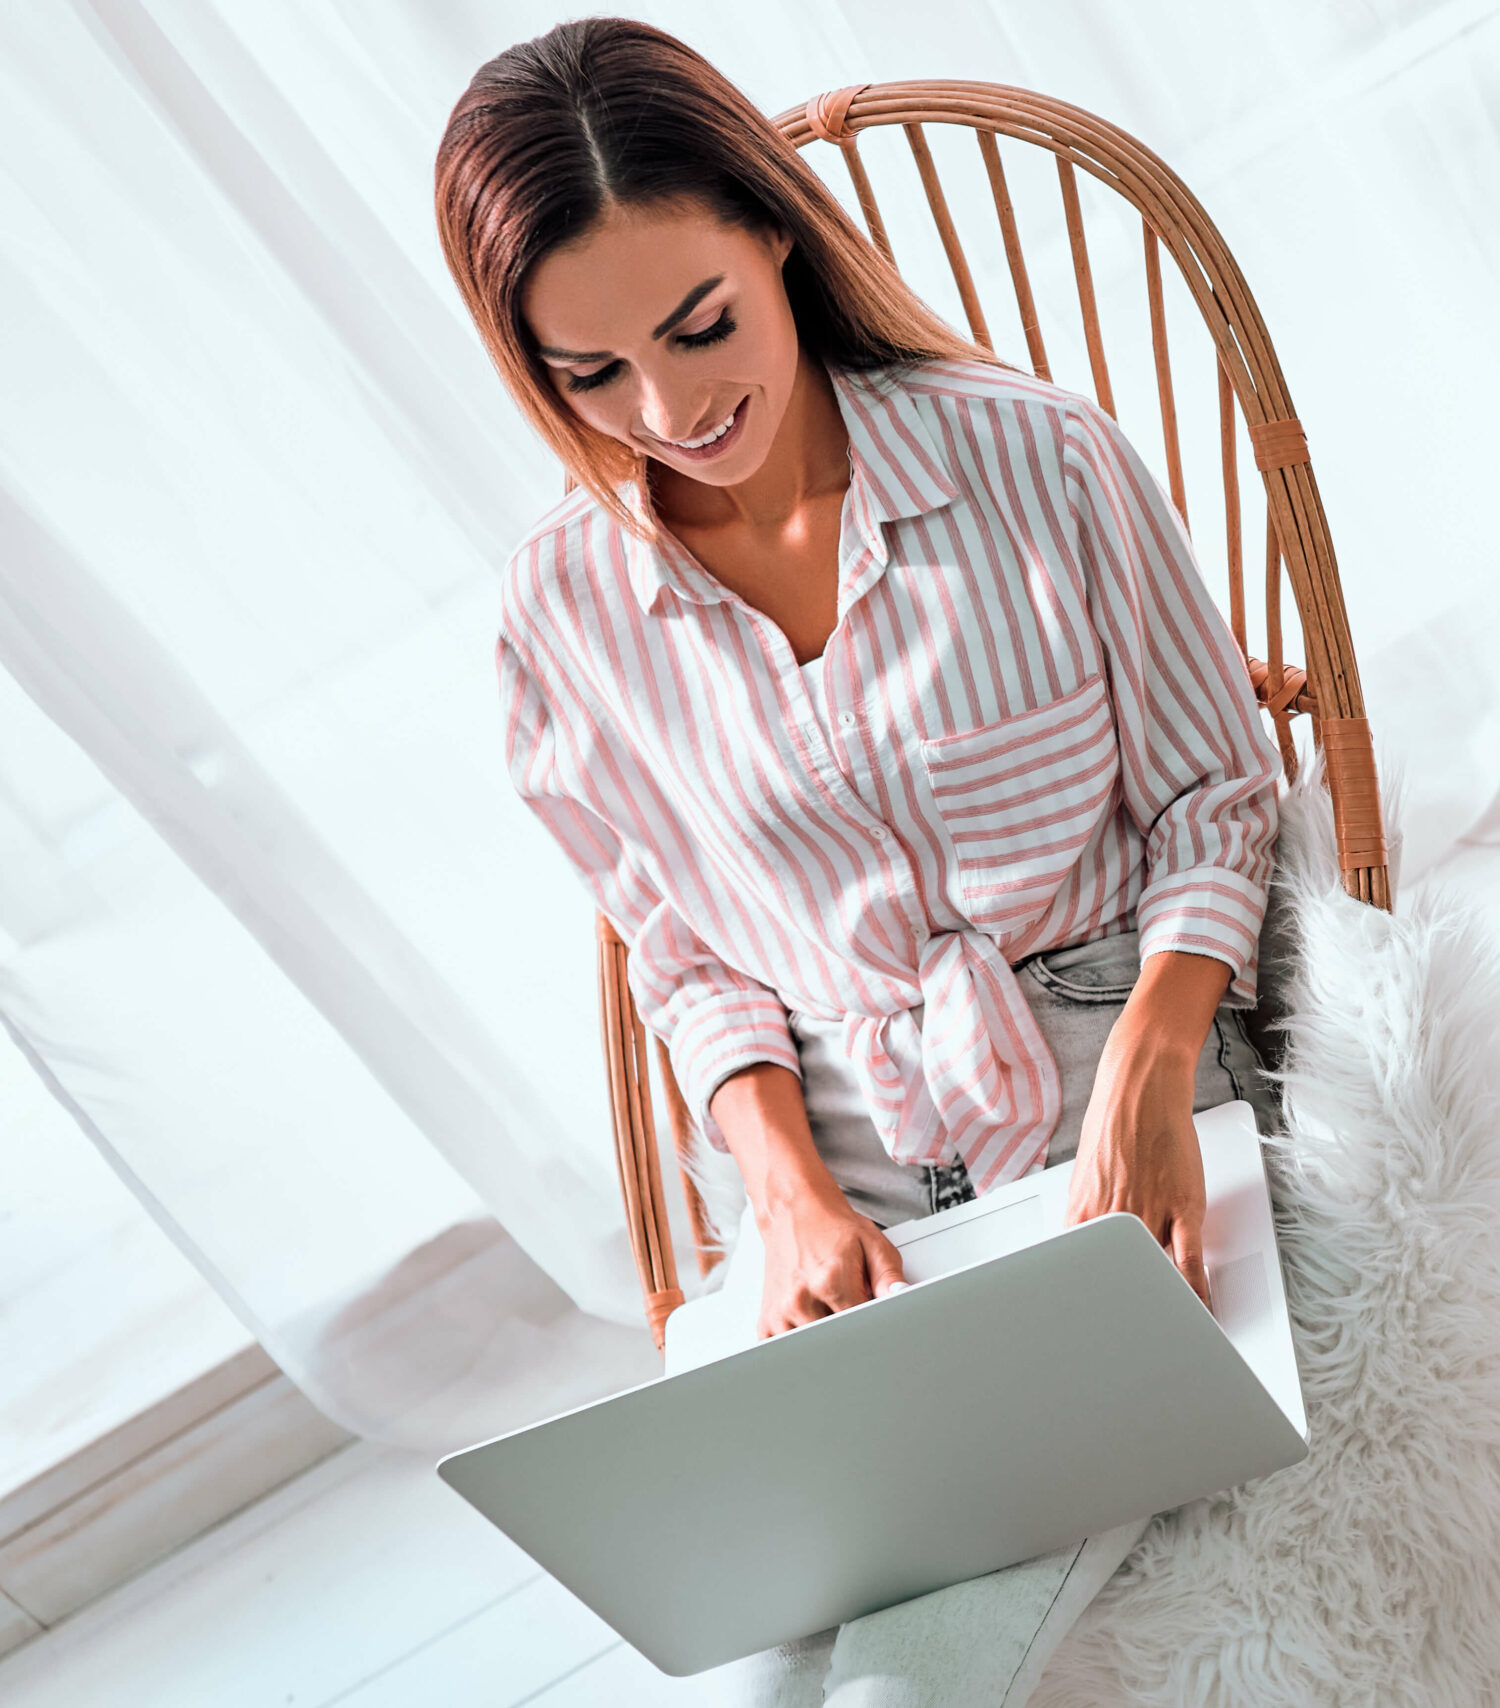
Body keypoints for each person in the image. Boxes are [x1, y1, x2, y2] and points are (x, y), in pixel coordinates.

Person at [433, 19, 1284, 1707]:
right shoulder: (563, 613)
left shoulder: (1036, 459)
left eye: (701, 328)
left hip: (1105, 1021)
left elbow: (1220, 796)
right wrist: (783, 1188)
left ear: (773, 234)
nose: (672, 412)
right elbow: (679, 954)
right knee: (774, 1615)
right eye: (592, 377)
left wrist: (1151, 1063)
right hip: (835, 1106)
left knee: (952, 1590)